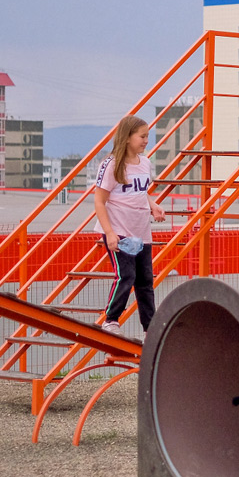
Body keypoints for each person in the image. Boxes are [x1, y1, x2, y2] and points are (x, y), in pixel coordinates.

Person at [94, 115, 165, 338]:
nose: (146, 141)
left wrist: (153, 204)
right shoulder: (112, 164)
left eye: (147, 136)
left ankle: (149, 327)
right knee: (126, 275)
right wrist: (109, 233)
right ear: (127, 138)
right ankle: (111, 320)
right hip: (120, 231)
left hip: (141, 232)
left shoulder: (145, 163)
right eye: (142, 136)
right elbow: (99, 200)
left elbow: (139, 193)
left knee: (145, 281)